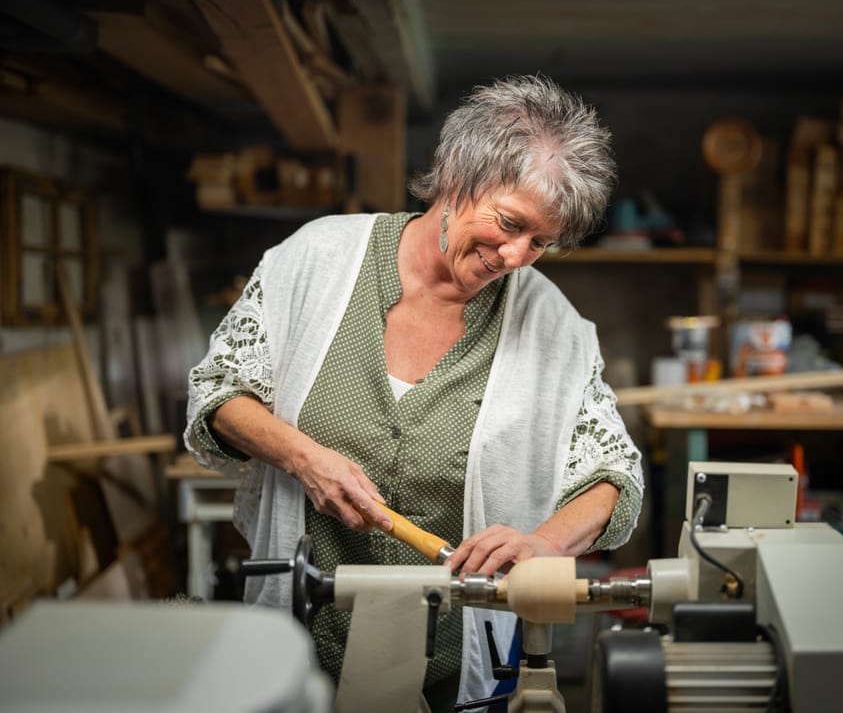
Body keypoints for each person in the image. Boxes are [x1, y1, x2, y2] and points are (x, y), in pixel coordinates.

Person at [184, 73, 644, 708]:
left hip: (458, 663)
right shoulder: (316, 260)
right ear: (456, 175)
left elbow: (613, 475)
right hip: (300, 642)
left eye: (541, 242)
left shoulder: (550, 324)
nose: (516, 256)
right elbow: (217, 391)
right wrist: (302, 457)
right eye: (510, 223)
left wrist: (543, 544)